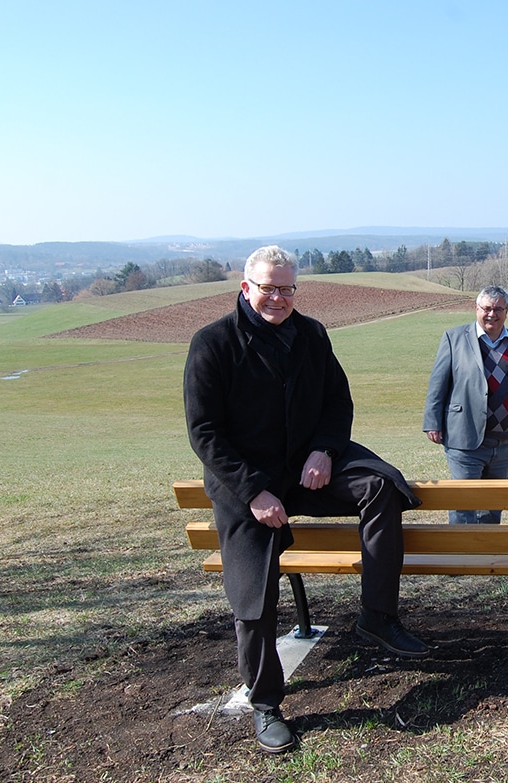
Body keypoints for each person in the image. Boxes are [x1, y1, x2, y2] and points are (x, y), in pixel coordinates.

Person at [183, 245, 429, 754]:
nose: (278, 297)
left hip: (309, 467)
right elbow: (205, 433)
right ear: (246, 287)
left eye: (287, 288)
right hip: (245, 482)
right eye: (268, 287)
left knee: (382, 486)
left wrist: (325, 450)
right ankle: (266, 703)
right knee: (253, 597)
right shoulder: (212, 343)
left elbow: (338, 401)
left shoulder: (312, 334)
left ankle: (377, 617)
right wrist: (253, 491)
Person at [423, 285, 508, 523]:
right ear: (476, 309)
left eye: (498, 309)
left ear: (507, 311)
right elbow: (437, 384)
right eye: (486, 308)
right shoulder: (454, 338)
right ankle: (462, 556)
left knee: (493, 506)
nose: (492, 314)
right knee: (464, 504)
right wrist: (432, 422)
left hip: (505, 441)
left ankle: (487, 555)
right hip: (465, 440)